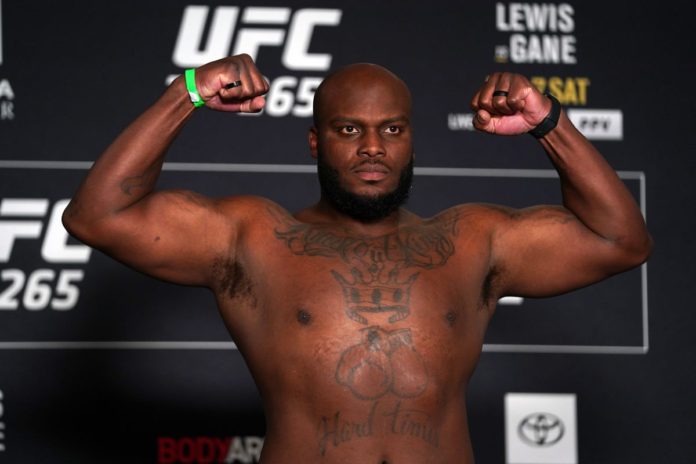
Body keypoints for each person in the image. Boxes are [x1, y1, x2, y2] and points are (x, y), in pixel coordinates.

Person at [62, 54, 652, 463]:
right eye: (349, 129)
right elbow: (98, 217)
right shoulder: (256, 238)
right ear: (317, 141)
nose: (373, 147)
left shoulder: (471, 241)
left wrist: (548, 123)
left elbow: (620, 241)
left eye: (392, 129)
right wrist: (186, 92)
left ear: (411, 139)